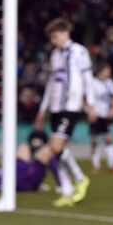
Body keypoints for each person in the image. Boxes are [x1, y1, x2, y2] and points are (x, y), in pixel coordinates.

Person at [34, 17, 96, 207]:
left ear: (65, 33)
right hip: (55, 107)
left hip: (71, 106)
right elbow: (51, 83)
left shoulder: (79, 51)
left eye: (55, 37)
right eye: (51, 38)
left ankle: (80, 178)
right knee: (59, 150)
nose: (53, 41)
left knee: (56, 146)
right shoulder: (55, 55)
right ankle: (67, 191)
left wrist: (91, 104)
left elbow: (87, 78)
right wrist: (43, 108)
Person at [89, 63, 113, 175]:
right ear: (101, 71)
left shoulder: (109, 83)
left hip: (106, 116)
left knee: (109, 139)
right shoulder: (92, 82)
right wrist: (89, 111)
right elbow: (85, 97)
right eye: (107, 70)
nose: (109, 72)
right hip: (95, 116)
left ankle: (112, 165)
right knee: (95, 141)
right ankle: (96, 166)